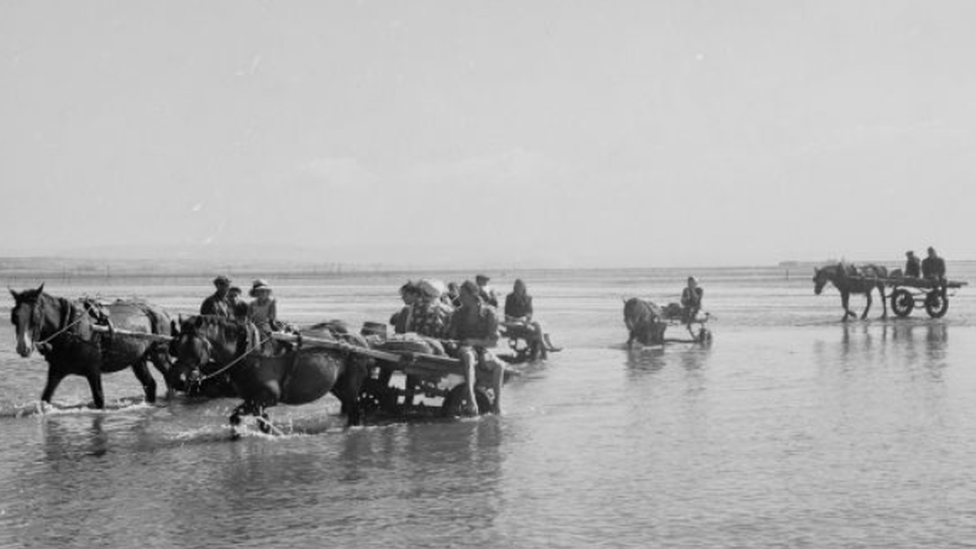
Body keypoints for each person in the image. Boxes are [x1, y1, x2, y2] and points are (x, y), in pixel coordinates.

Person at [447, 280, 505, 415]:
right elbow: (452, 336)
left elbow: (494, 343)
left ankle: (497, 405)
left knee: (500, 366)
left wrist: (474, 341)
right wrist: (451, 340)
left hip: (481, 349)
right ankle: (471, 397)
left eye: (463, 295)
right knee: (468, 356)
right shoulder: (458, 313)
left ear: (473, 296)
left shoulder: (489, 313)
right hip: (464, 348)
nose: (459, 298)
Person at [503, 279, 557, 360]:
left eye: (520, 287)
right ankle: (545, 347)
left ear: (523, 288)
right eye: (517, 287)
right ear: (514, 287)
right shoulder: (509, 297)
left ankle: (547, 346)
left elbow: (529, 312)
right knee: (536, 327)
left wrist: (524, 318)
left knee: (540, 324)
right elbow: (507, 313)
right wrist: (515, 319)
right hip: (513, 321)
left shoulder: (528, 298)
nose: (518, 289)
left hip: (524, 320)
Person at [247, 279, 279, 354]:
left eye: (264, 291)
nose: (262, 293)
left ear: (267, 292)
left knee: (268, 337)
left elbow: (272, 317)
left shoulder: (271, 302)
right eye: (259, 291)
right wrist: (250, 324)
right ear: (256, 293)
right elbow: (248, 316)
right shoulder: (252, 304)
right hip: (253, 325)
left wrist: (265, 325)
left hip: (266, 324)